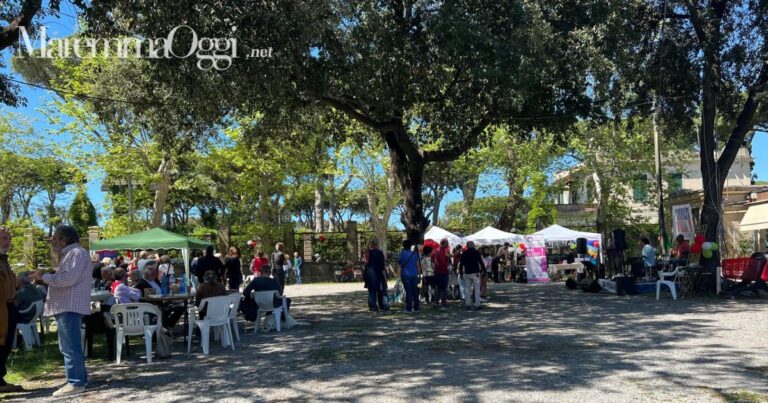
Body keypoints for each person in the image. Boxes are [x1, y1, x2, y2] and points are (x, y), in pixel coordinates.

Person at [31, 225, 91, 396]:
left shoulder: (76, 253)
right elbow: (66, 277)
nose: (53, 242)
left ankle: (76, 383)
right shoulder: (73, 254)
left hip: (69, 306)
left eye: (55, 238)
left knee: (69, 347)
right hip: (67, 306)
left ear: (64, 240)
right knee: (70, 345)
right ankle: (79, 379)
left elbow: (67, 279)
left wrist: (43, 277)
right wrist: (49, 276)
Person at [0, 227, 21, 393]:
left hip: (10, 306)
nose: (6, 242)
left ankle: (0, 380)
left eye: (8, 238)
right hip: (1, 308)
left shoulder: (4, 260)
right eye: (2, 238)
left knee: (6, 344)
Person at [364, 239, 389, 314]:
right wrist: (385, 277)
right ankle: (383, 306)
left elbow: (365, 263)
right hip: (378, 274)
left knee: (372, 291)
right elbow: (382, 266)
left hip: (369, 275)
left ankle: (373, 307)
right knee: (381, 291)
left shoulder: (368, 253)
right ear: (377, 244)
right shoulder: (379, 253)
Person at [459, 241, 485, 310]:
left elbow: (461, 264)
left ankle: (467, 304)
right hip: (475, 272)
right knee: (477, 289)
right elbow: (480, 261)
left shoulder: (464, 253)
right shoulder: (476, 252)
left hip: (467, 272)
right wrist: (484, 270)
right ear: (473, 245)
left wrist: (461, 273)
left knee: (467, 289)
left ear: (467, 246)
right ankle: (477, 304)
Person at [397, 240, 421, 313]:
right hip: (414, 274)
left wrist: (398, 274)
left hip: (405, 274)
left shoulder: (401, 254)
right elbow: (418, 265)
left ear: (403, 246)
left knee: (408, 292)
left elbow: (399, 264)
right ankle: (416, 307)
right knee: (415, 291)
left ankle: (409, 308)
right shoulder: (414, 254)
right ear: (410, 246)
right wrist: (419, 274)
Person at [431, 239, 451, 308]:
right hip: (444, 271)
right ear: (444, 243)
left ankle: (436, 302)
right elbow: (448, 257)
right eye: (447, 243)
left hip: (437, 271)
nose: (448, 244)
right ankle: (443, 303)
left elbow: (432, 260)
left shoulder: (435, 250)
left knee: (437, 288)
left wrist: (435, 266)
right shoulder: (445, 250)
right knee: (444, 288)